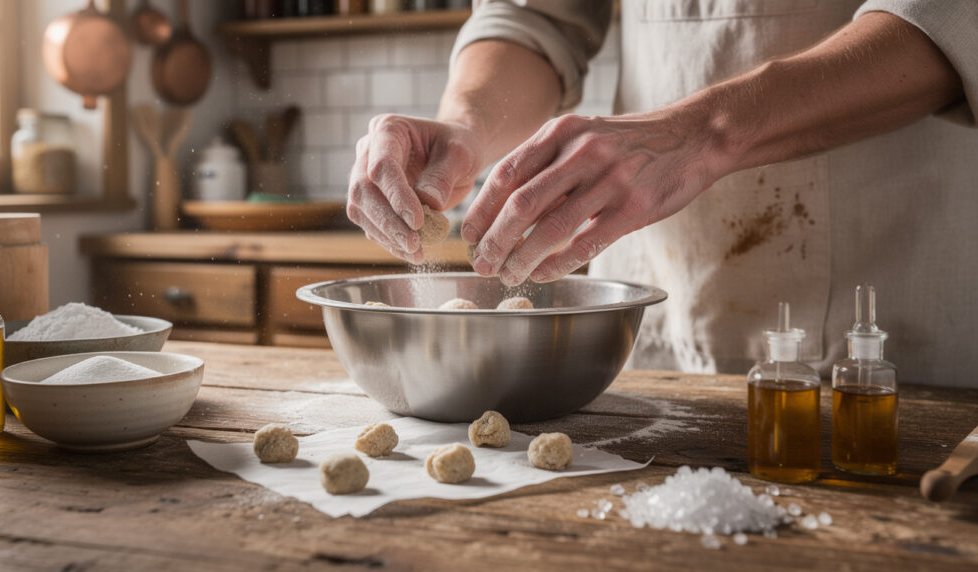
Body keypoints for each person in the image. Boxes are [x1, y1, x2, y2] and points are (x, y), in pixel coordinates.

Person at [346, 0, 978, 387]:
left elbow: (948, 16)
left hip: (889, 298)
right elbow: (534, 16)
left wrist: (702, 134)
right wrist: (468, 123)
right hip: (660, 308)